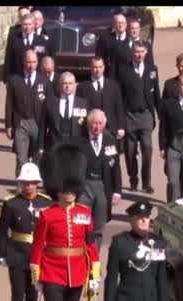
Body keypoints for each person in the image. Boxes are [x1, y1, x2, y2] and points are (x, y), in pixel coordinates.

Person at [30, 142, 101, 301]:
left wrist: (94, 275)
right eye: (66, 188)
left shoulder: (85, 214)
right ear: (57, 187)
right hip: (52, 272)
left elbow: (90, 245)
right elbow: (37, 246)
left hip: (78, 273)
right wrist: (36, 274)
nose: (69, 193)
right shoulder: (47, 215)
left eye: (73, 189)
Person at [0, 162, 53, 301]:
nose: (28, 186)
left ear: (37, 183)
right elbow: (2, 230)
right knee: (17, 293)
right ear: (20, 184)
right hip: (17, 252)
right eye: (25, 183)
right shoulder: (11, 203)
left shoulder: (46, 202)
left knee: (32, 294)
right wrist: (2, 254)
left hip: (38, 255)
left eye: (32, 182)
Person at [104, 201, 168, 301]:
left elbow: (161, 277)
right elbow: (112, 276)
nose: (144, 220)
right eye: (140, 218)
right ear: (131, 220)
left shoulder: (158, 243)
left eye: (146, 217)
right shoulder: (120, 243)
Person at [117, 40, 161, 193]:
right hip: (130, 116)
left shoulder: (152, 69)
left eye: (142, 52)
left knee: (147, 149)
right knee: (130, 151)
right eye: (136, 52)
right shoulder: (124, 70)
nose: (139, 55)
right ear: (132, 52)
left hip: (146, 115)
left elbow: (156, 94)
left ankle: (146, 182)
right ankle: (133, 179)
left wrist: (160, 114)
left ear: (146, 52)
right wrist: (120, 119)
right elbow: (119, 97)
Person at [78, 109, 123, 252]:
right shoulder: (79, 141)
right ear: (88, 124)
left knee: (99, 226)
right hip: (85, 187)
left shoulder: (109, 140)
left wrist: (117, 191)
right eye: (93, 123)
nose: (96, 127)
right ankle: (81, 258)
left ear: (104, 124)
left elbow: (115, 166)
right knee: (82, 223)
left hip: (104, 187)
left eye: (99, 123)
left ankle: (93, 260)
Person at [4, 49, 53, 177]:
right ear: (23, 62)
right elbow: (9, 103)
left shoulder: (45, 82)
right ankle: (21, 187)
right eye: (28, 62)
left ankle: (34, 187)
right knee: (21, 158)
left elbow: (50, 106)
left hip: (38, 124)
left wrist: (49, 126)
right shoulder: (14, 80)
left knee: (37, 157)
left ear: (37, 63)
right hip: (21, 124)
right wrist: (8, 125)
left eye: (34, 62)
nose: (31, 65)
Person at [76, 57, 126, 153]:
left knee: (112, 159)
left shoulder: (114, 86)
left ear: (104, 68)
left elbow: (119, 107)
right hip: (90, 130)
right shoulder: (82, 87)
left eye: (100, 67)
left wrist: (121, 127)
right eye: (95, 67)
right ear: (90, 68)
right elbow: (79, 109)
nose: (97, 70)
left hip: (110, 129)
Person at [44, 72, 89, 152]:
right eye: (65, 83)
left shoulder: (83, 103)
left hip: (76, 145)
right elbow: (43, 126)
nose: (67, 86)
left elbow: (86, 127)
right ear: (60, 85)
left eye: (70, 83)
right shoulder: (51, 102)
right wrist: (40, 147)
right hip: (55, 144)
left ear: (74, 85)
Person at [4, 13, 51, 85]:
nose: (27, 27)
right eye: (25, 24)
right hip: (18, 78)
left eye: (29, 24)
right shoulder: (14, 40)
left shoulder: (42, 40)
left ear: (34, 25)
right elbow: (8, 60)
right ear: (21, 25)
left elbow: (46, 61)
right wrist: (6, 79)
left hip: (37, 80)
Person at [3, 6, 32, 84]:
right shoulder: (13, 33)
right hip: (18, 74)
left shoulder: (39, 34)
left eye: (27, 16)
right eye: (22, 17)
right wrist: (6, 77)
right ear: (19, 18)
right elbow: (9, 55)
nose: (25, 18)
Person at [96, 13, 128, 79]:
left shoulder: (130, 38)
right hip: (110, 74)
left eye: (123, 23)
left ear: (126, 24)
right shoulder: (105, 37)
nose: (121, 25)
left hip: (126, 74)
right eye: (118, 23)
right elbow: (99, 56)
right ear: (113, 25)